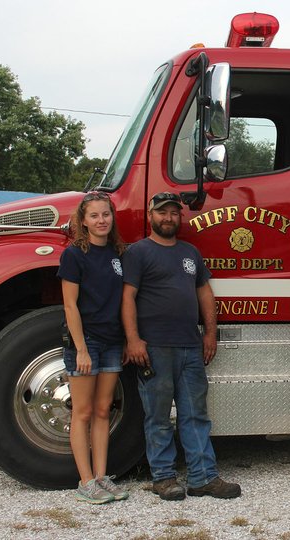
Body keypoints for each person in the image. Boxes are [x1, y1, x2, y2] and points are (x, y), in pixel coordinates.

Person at [122, 192, 241, 501]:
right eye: (163, 213)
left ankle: (203, 477)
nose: (168, 218)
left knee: (195, 414)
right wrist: (133, 339)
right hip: (155, 348)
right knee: (159, 417)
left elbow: (205, 293)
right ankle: (163, 478)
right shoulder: (138, 252)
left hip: (190, 346)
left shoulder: (190, 253)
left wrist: (210, 333)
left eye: (174, 213)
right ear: (151, 215)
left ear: (180, 217)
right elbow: (127, 298)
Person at [59, 191, 130, 504]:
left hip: (113, 341)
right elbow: (70, 306)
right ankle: (85, 481)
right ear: (83, 221)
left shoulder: (117, 254)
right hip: (85, 344)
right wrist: (82, 349)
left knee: (104, 411)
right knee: (83, 412)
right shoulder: (74, 254)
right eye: (94, 216)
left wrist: (127, 339)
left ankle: (102, 477)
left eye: (106, 214)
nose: (102, 220)